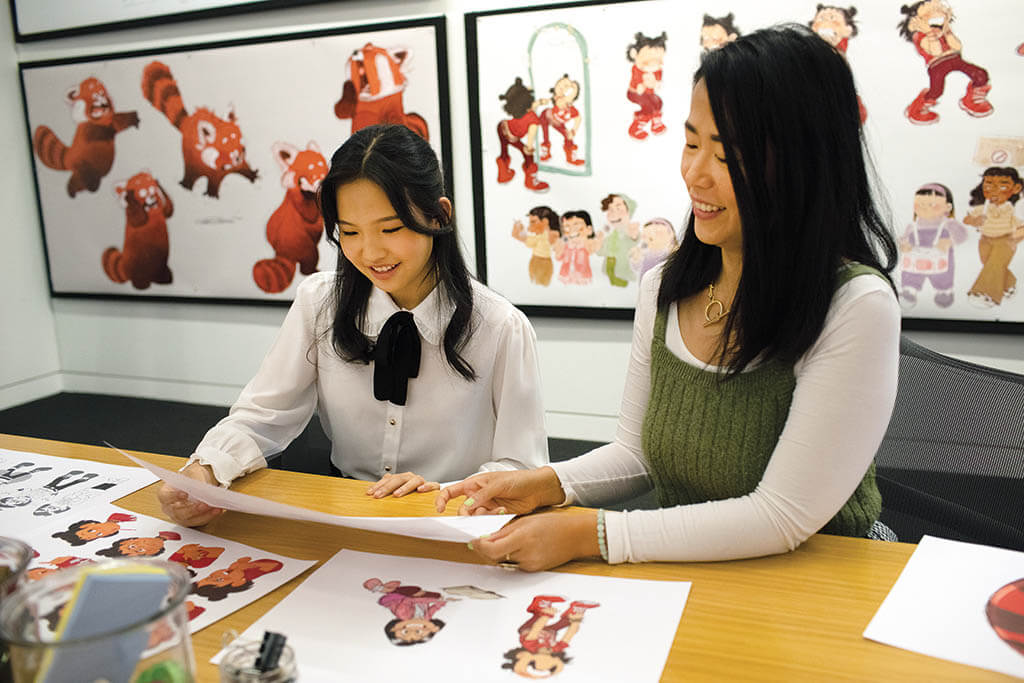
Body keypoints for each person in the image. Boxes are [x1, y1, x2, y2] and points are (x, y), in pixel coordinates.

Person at [437, 25, 901, 572]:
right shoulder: (666, 286)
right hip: (697, 581)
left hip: (822, 586)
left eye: (726, 156)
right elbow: (637, 454)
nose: (694, 174)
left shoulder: (855, 306)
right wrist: (545, 484)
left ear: (803, 166)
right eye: (690, 143)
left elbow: (782, 515)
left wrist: (592, 534)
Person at [160, 124, 548, 527]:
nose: (370, 252)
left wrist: (449, 491)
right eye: (349, 232)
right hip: (343, 516)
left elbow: (522, 466)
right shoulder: (320, 303)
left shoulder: (501, 327)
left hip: (452, 523)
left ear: (439, 215)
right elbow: (263, 415)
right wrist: (204, 472)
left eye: (391, 229)